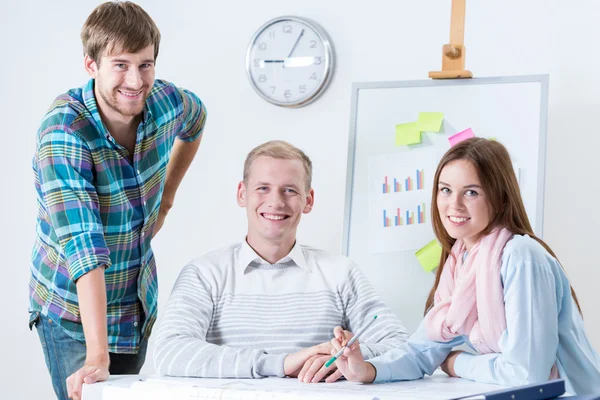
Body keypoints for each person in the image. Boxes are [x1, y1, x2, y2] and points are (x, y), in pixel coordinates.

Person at [28, 2, 207, 399]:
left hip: (134, 299)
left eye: (145, 65)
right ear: (91, 65)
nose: (135, 80)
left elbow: (196, 120)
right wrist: (97, 356)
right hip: (73, 313)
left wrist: (168, 198)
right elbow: (84, 249)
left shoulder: (165, 102)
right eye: (121, 64)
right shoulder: (64, 133)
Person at [331, 138, 600, 395]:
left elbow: (527, 373)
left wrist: (455, 363)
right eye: (446, 190)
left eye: (471, 192)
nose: (454, 205)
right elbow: (423, 351)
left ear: (500, 198)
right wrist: (366, 370)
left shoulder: (521, 255)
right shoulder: (459, 260)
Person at [153, 140, 408, 382]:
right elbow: (169, 352)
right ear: (242, 194)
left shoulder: (341, 273)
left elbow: (402, 347)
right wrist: (281, 363)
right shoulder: (204, 273)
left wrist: (347, 358)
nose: (276, 201)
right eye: (263, 188)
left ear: (308, 200)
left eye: (290, 190)